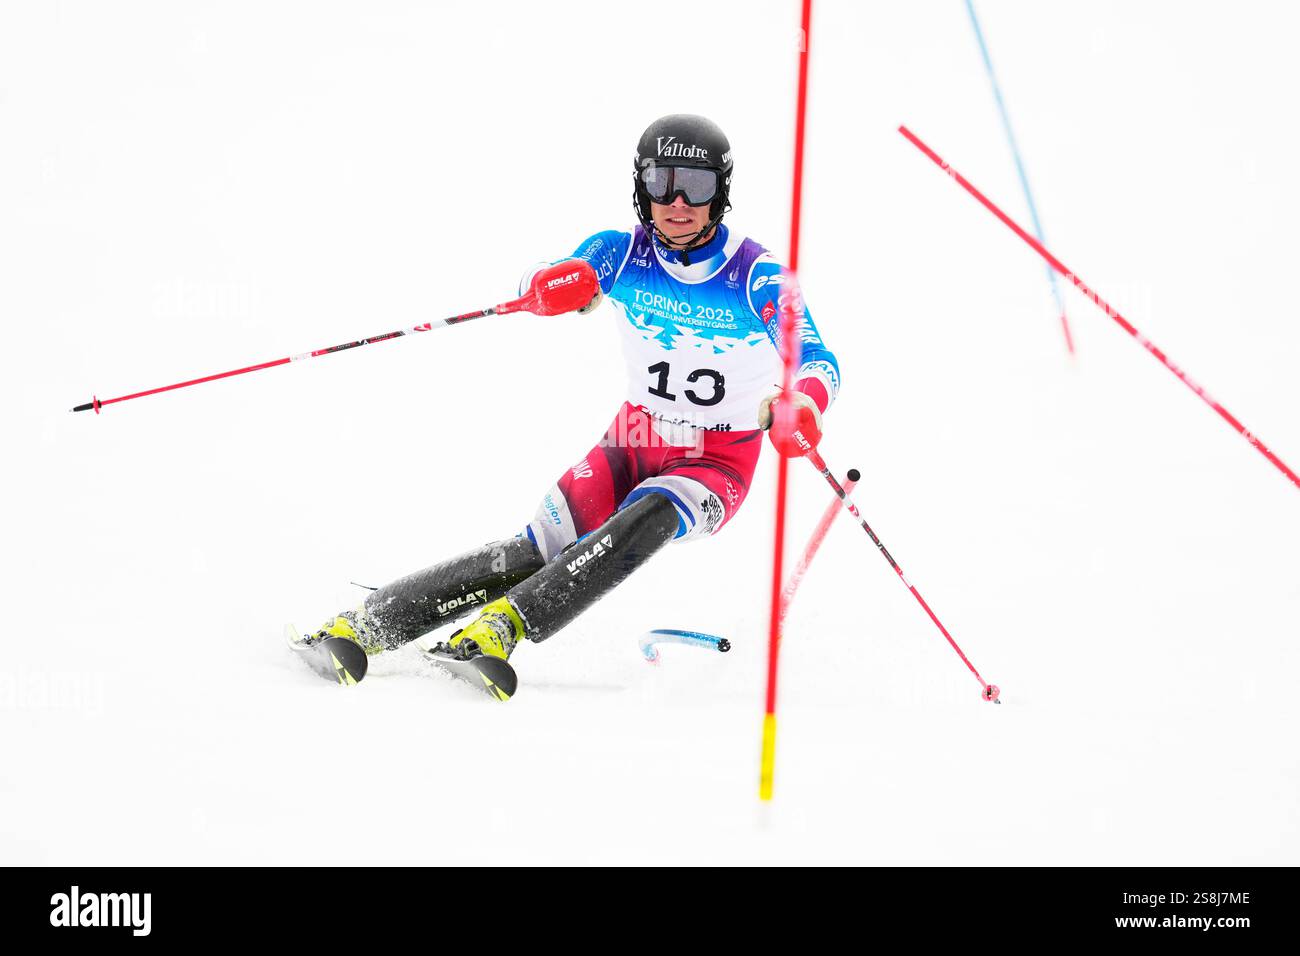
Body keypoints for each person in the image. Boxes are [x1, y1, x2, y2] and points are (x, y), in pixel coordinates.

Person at [302, 114, 841, 677]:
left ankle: (500, 628)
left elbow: (817, 360)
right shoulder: (623, 252)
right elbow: (549, 275)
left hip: (717, 458)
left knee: (655, 514)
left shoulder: (756, 275)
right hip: (634, 437)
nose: (677, 202)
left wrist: (802, 403)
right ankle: (364, 626)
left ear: (721, 192)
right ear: (641, 186)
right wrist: (558, 286)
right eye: (661, 182)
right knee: (540, 546)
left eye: (696, 185)